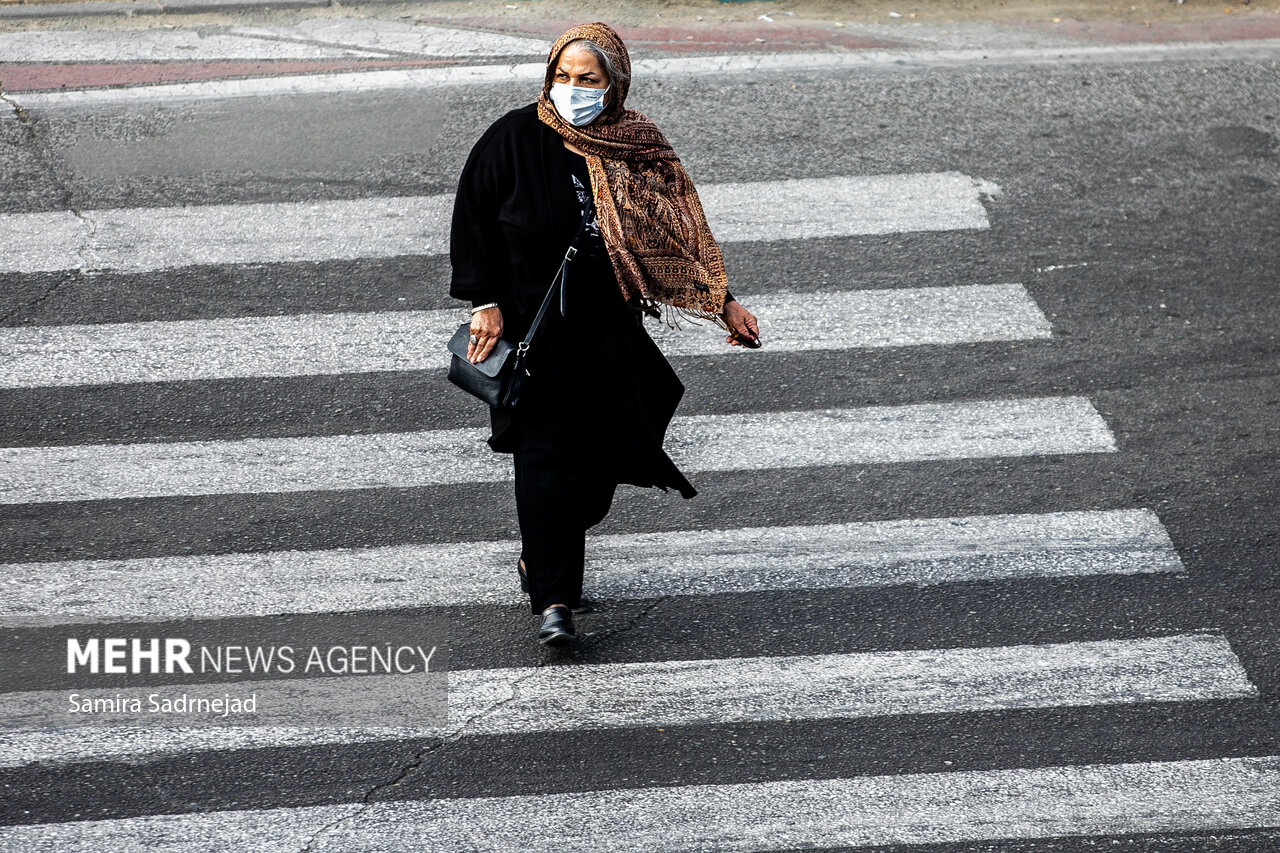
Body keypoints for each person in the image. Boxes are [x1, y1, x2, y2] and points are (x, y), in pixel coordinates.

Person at [449, 22, 760, 646]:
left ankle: (546, 552)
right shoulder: (513, 138)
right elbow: (473, 217)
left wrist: (720, 301)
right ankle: (554, 599)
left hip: (606, 329)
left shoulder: (636, 145)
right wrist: (484, 303)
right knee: (544, 463)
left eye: (588, 79)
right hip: (534, 329)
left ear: (614, 84)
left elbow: (674, 234)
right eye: (562, 77)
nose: (572, 89)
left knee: (598, 462)